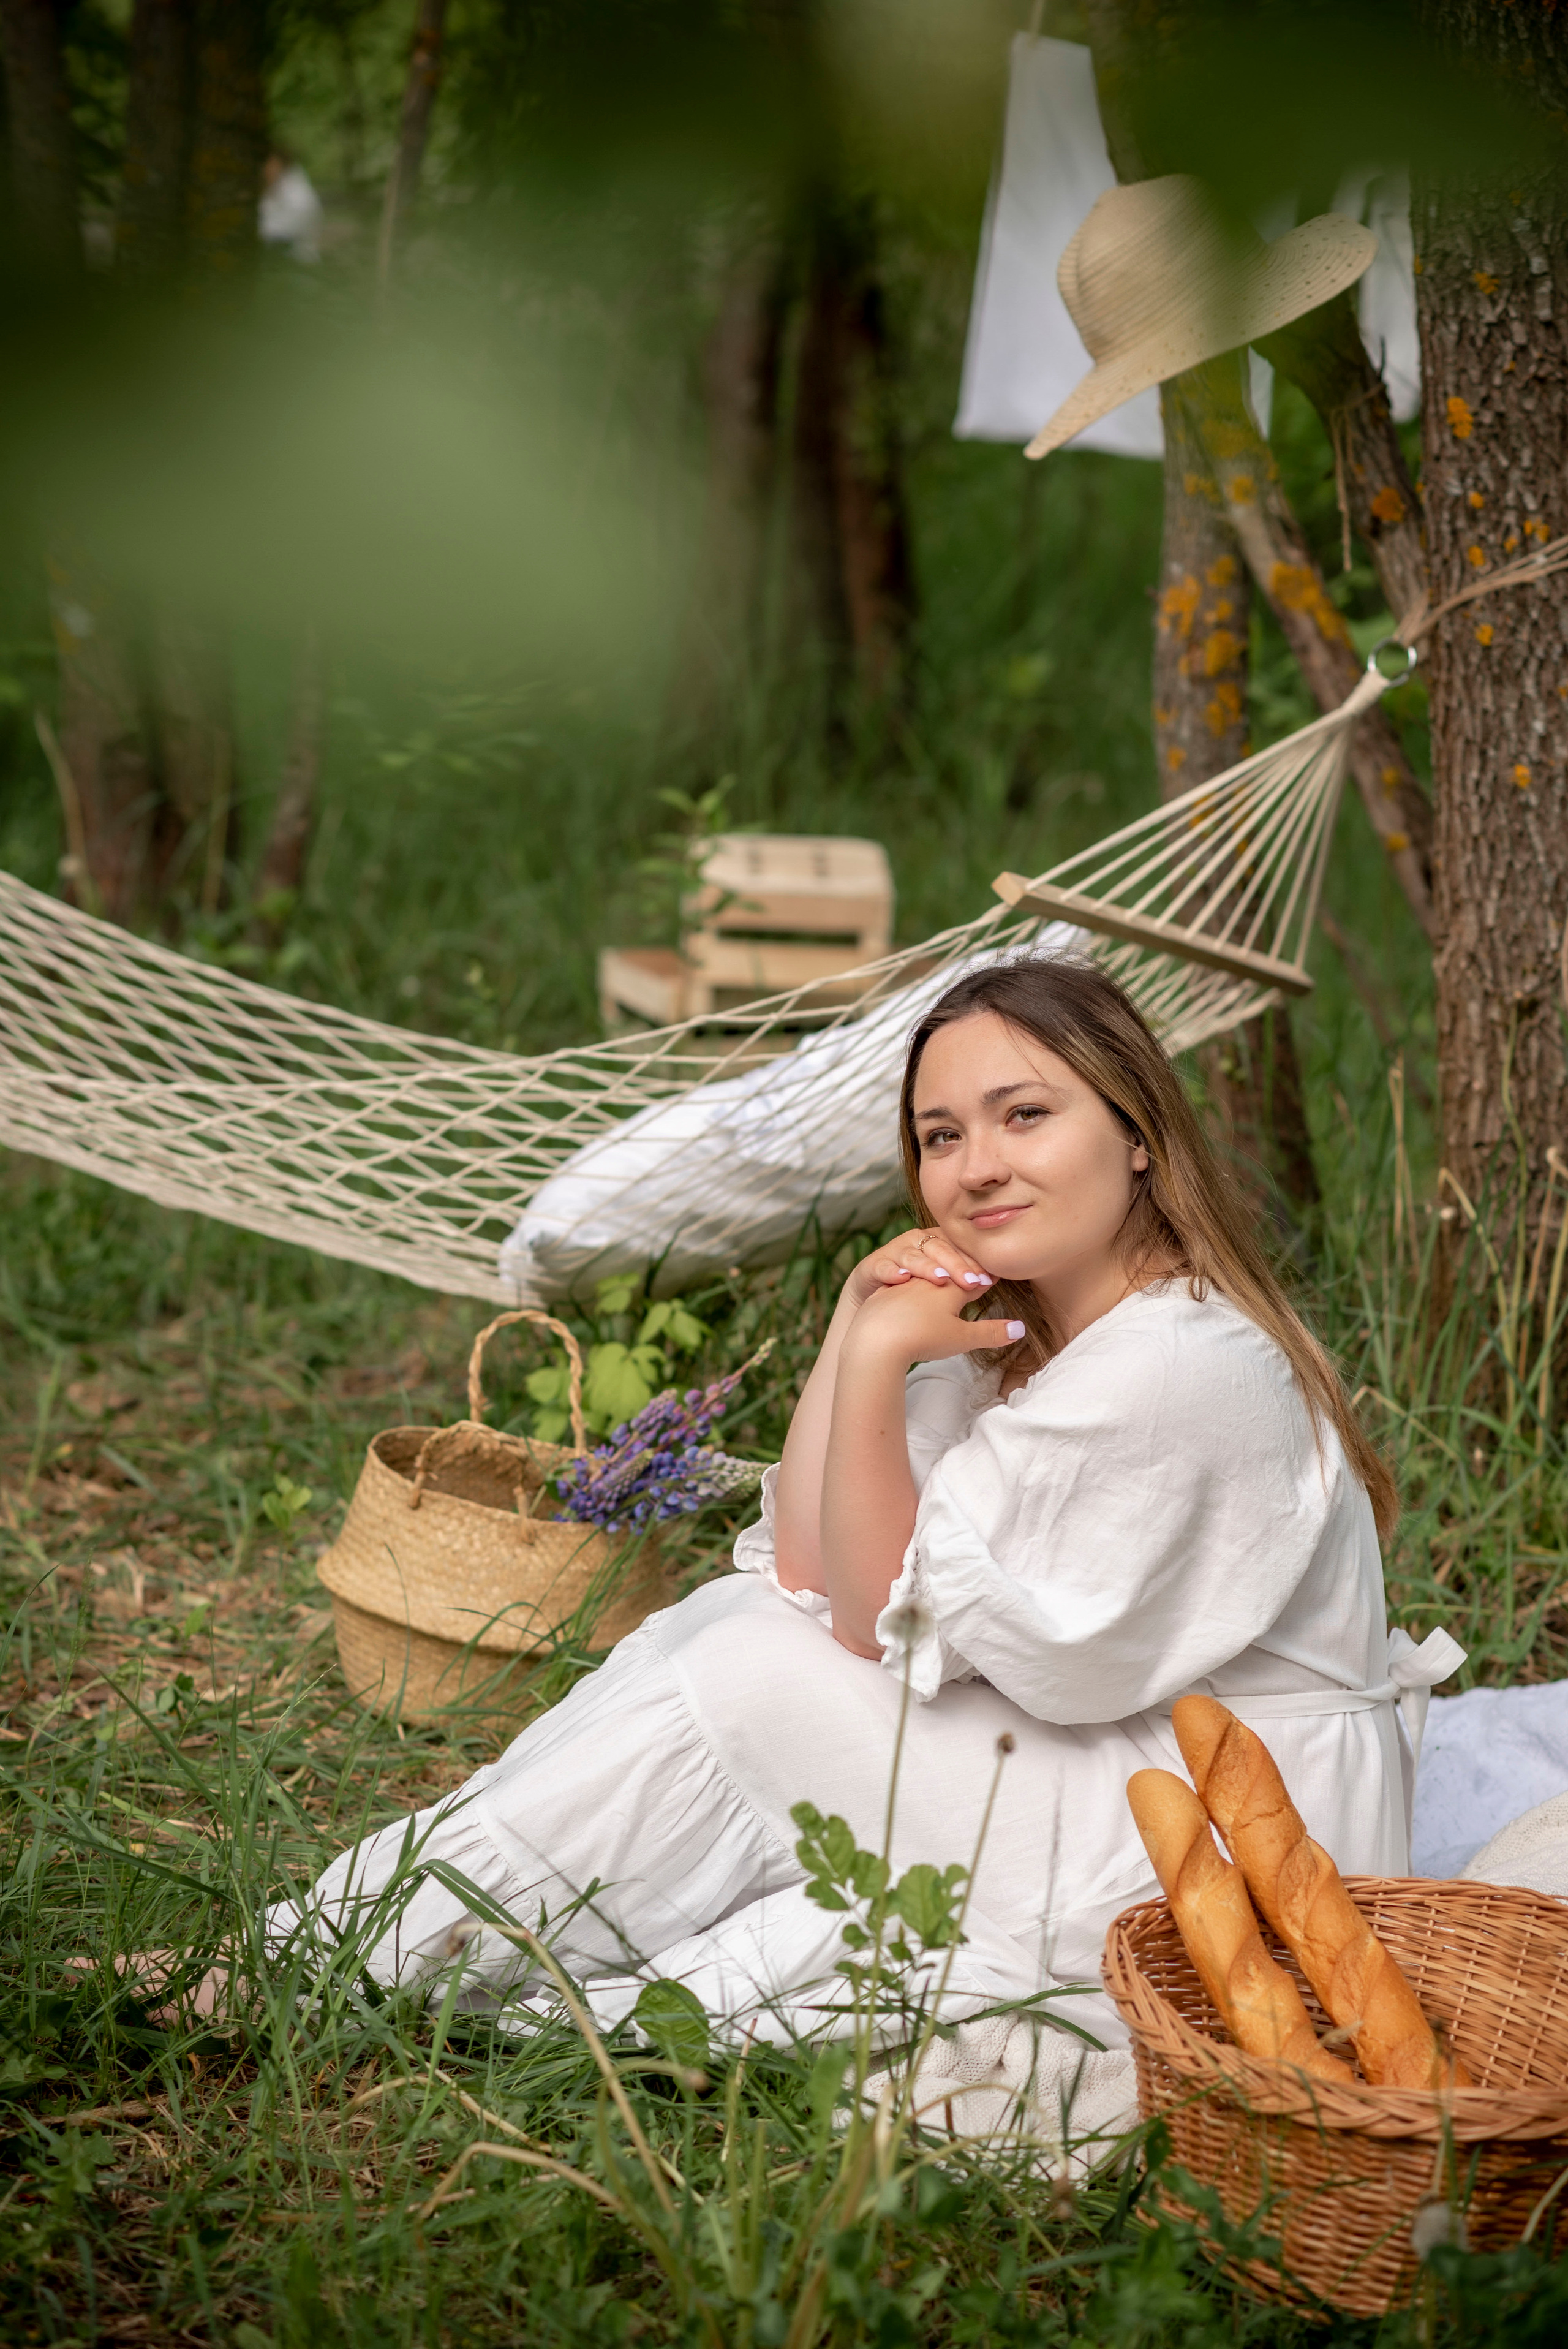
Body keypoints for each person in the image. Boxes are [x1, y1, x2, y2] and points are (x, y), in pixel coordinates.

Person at [251, 957, 1450, 2049]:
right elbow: (809, 1570)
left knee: (751, 1677)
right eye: (939, 1135)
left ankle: (332, 1960)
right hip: (1125, 1763)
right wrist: (850, 1325)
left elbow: (869, 1623)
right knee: (730, 1628)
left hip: (1239, 1841)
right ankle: (367, 1945)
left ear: (1135, 1132)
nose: (975, 1165)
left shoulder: (1179, 1361)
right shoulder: (1017, 1336)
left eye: (1024, 1114)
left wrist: (878, 1365)